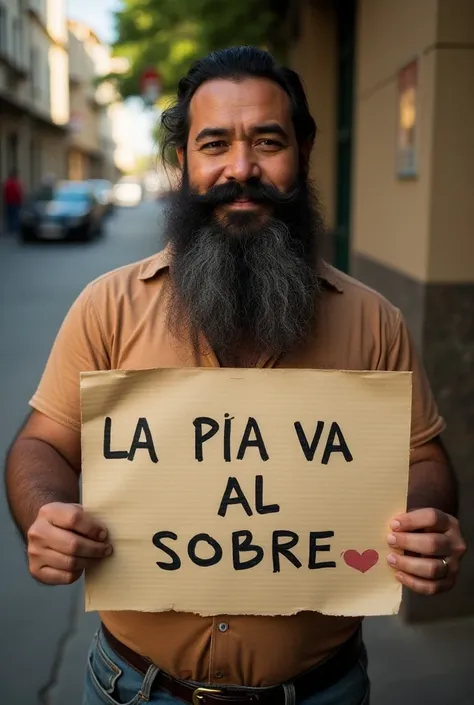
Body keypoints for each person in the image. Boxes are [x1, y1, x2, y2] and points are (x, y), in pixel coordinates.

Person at [5, 47, 466, 705]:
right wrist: (46, 513)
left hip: (324, 691)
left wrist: (424, 517)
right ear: (183, 162)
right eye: (214, 143)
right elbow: (39, 444)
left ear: (302, 152)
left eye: (268, 142)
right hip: (133, 688)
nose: (241, 168)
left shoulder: (375, 320)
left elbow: (424, 455)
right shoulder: (105, 308)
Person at [2, 168, 23, 235]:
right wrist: (21, 200)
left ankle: (10, 228)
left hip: (9, 202)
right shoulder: (16, 183)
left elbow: (4, 193)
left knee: (10, 216)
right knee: (16, 216)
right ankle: (15, 228)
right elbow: (19, 193)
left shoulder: (7, 183)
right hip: (15, 202)